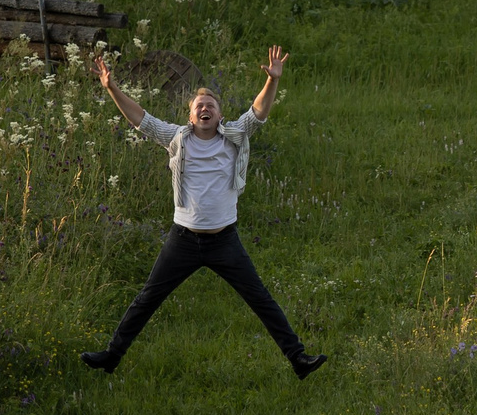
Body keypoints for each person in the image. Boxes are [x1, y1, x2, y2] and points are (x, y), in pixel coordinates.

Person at [82, 44, 325, 378]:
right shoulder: (177, 139)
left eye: (211, 105)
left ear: (219, 116)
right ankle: (111, 356)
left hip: (224, 241)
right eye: (199, 106)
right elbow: (141, 119)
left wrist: (272, 80)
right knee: (147, 299)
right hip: (183, 240)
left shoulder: (233, 137)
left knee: (260, 299)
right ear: (191, 117)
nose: (205, 108)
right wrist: (111, 87)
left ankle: (298, 359)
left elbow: (258, 112)